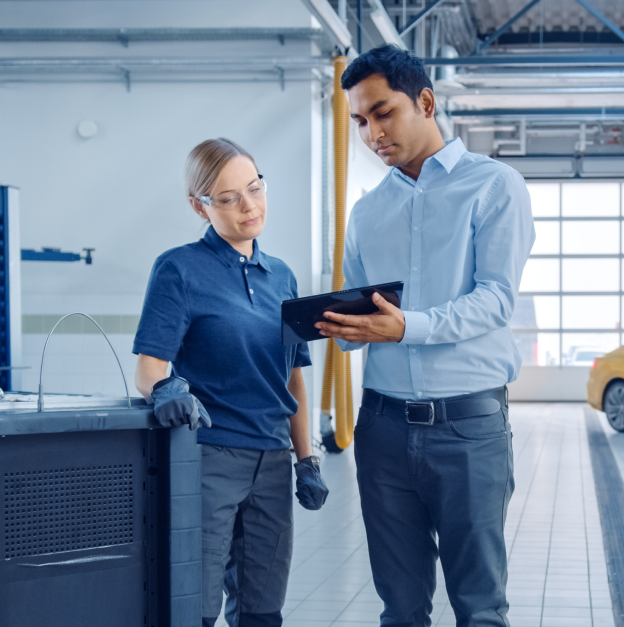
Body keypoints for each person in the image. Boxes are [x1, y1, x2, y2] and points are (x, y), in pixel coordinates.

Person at [315, 45, 535, 626]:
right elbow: (364, 315)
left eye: (383, 113)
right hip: (382, 431)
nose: (371, 133)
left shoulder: (495, 186)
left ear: (426, 101)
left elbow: (494, 300)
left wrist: (404, 327)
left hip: (467, 428)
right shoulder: (366, 211)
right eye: (360, 121)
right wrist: (339, 327)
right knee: (400, 607)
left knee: (479, 606)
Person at [132, 138, 329, 627]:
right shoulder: (179, 269)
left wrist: (306, 459)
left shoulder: (281, 276)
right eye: (228, 198)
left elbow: (294, 379)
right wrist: (167, 390)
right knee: (195, 607)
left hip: (272, 462)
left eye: (255, 188)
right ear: (198, 205)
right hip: (210, 457)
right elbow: (148, 369)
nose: (249, 206)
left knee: (262, 609)